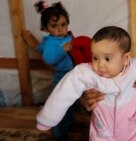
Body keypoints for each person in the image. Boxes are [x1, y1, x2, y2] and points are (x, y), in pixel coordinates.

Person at [36, 26, 136, 141]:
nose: (99, 65)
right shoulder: (86, 73)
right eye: (95, 57)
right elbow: (64, 91)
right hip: (103, 127)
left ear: (126, 58)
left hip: (133, 123)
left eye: (107, 58)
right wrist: (47, 120)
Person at [29, 1, 91, 140]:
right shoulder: (51, 42)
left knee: (71, 106)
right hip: (62, 80)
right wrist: (63, 49)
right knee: (60, 108)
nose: (60, 29)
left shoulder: (69, 37)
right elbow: (48, 59)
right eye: (54, 26)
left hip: (75, 78)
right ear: (45, 29)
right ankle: (59, 133)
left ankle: (68, 125)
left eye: (63, 24)